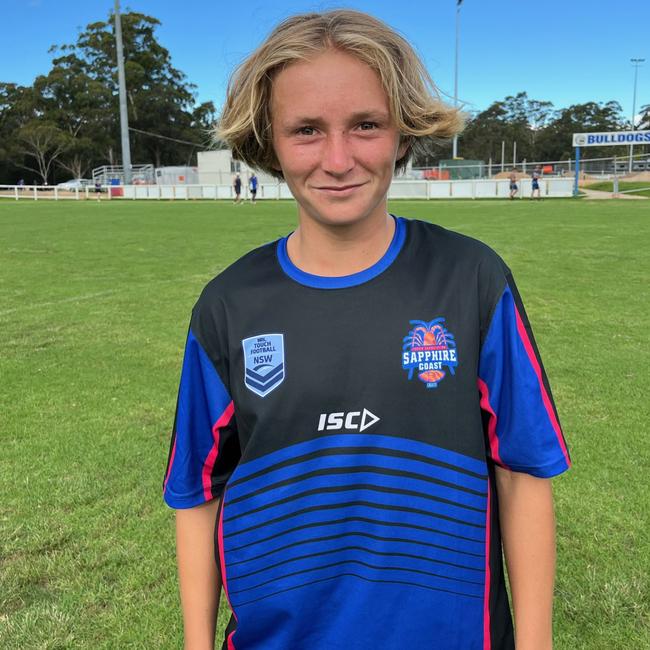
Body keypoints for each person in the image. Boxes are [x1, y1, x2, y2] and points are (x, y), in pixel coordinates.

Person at [163, 10, 570, 650]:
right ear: (268, 143)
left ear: (403, 132)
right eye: (306, 130)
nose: (337, 158)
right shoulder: (228, 306)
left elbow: (523, 474)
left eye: (365, 125)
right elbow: (198, 495)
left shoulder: (472, 279)